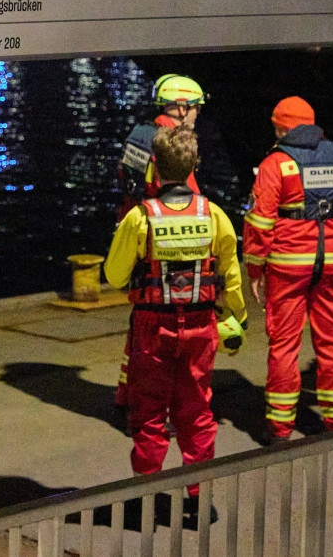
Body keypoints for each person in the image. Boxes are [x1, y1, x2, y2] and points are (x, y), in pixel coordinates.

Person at [104, 126, 246, 519]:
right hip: (201, 326)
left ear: (154, 166)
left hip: (153, 326)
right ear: (193, 166)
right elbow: (231, 276)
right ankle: (199, 496)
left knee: (148, 413)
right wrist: (238, 316)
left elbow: (115, 276)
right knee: (197, 411)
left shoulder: (140, 218)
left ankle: (146, 493)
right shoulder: (214, 215)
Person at [243, 96, 333, 443]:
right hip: (332, 264)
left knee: (284, 345)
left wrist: (254, 267)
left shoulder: (276, 163)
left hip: (287, 266)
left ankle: (280, 427)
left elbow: (260, 221)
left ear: (281, 126)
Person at [113, 74, 205, 412]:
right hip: (164, 249)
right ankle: (152, 407)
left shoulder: (139, 136)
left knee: (139, 329)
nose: (196, 116)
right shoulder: (171, 145)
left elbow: (128, 186)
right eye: (195, 109)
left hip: (137, 236)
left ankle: (126, 396)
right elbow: (187, 199)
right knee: (162, 338)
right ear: (181, 108)